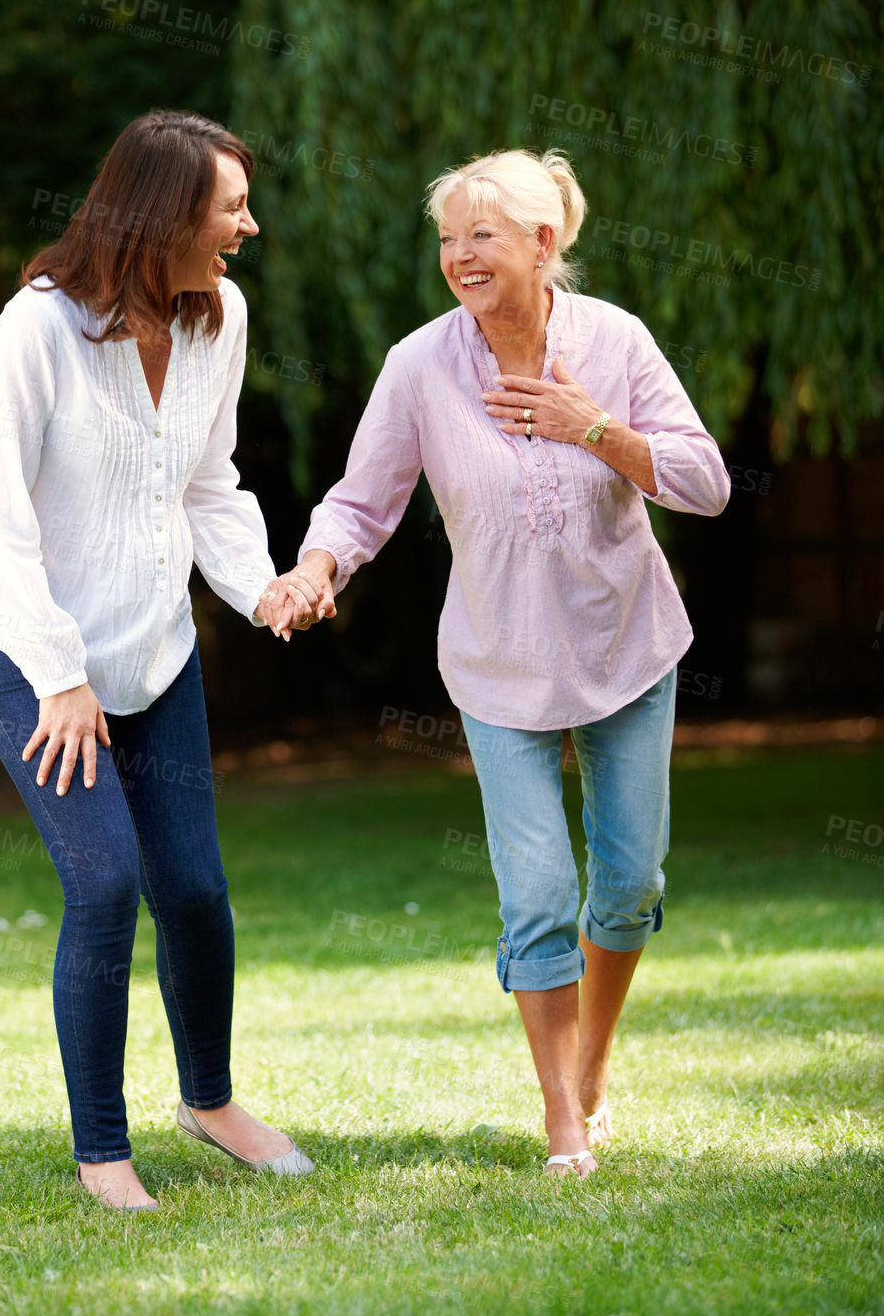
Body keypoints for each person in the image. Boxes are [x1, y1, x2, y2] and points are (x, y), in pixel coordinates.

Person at [275, 149, 730, 1177]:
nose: (459, 255)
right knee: (535, 894)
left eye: (481, 234)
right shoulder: (419, 365)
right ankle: (560, 1119)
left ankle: (591, 1071)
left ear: (541, 241)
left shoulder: (613, 343)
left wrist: (594, 428)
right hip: (496, 665)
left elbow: (704, 482)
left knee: (626, 880)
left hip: (625, 649)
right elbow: (360, 501)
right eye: (447, 238)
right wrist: (315, 569)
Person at [0, 110, 317, 1211]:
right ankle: (101, 1152)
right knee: (105, 884)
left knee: (196, 890)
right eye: (229, 208)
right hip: (31, 653)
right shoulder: (35, 331)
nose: (248, 226)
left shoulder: (221, 318)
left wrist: (258, 586)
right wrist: (61, 674)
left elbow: (209, 482)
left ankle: (207, 1103)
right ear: (162, 216)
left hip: (156, 653)